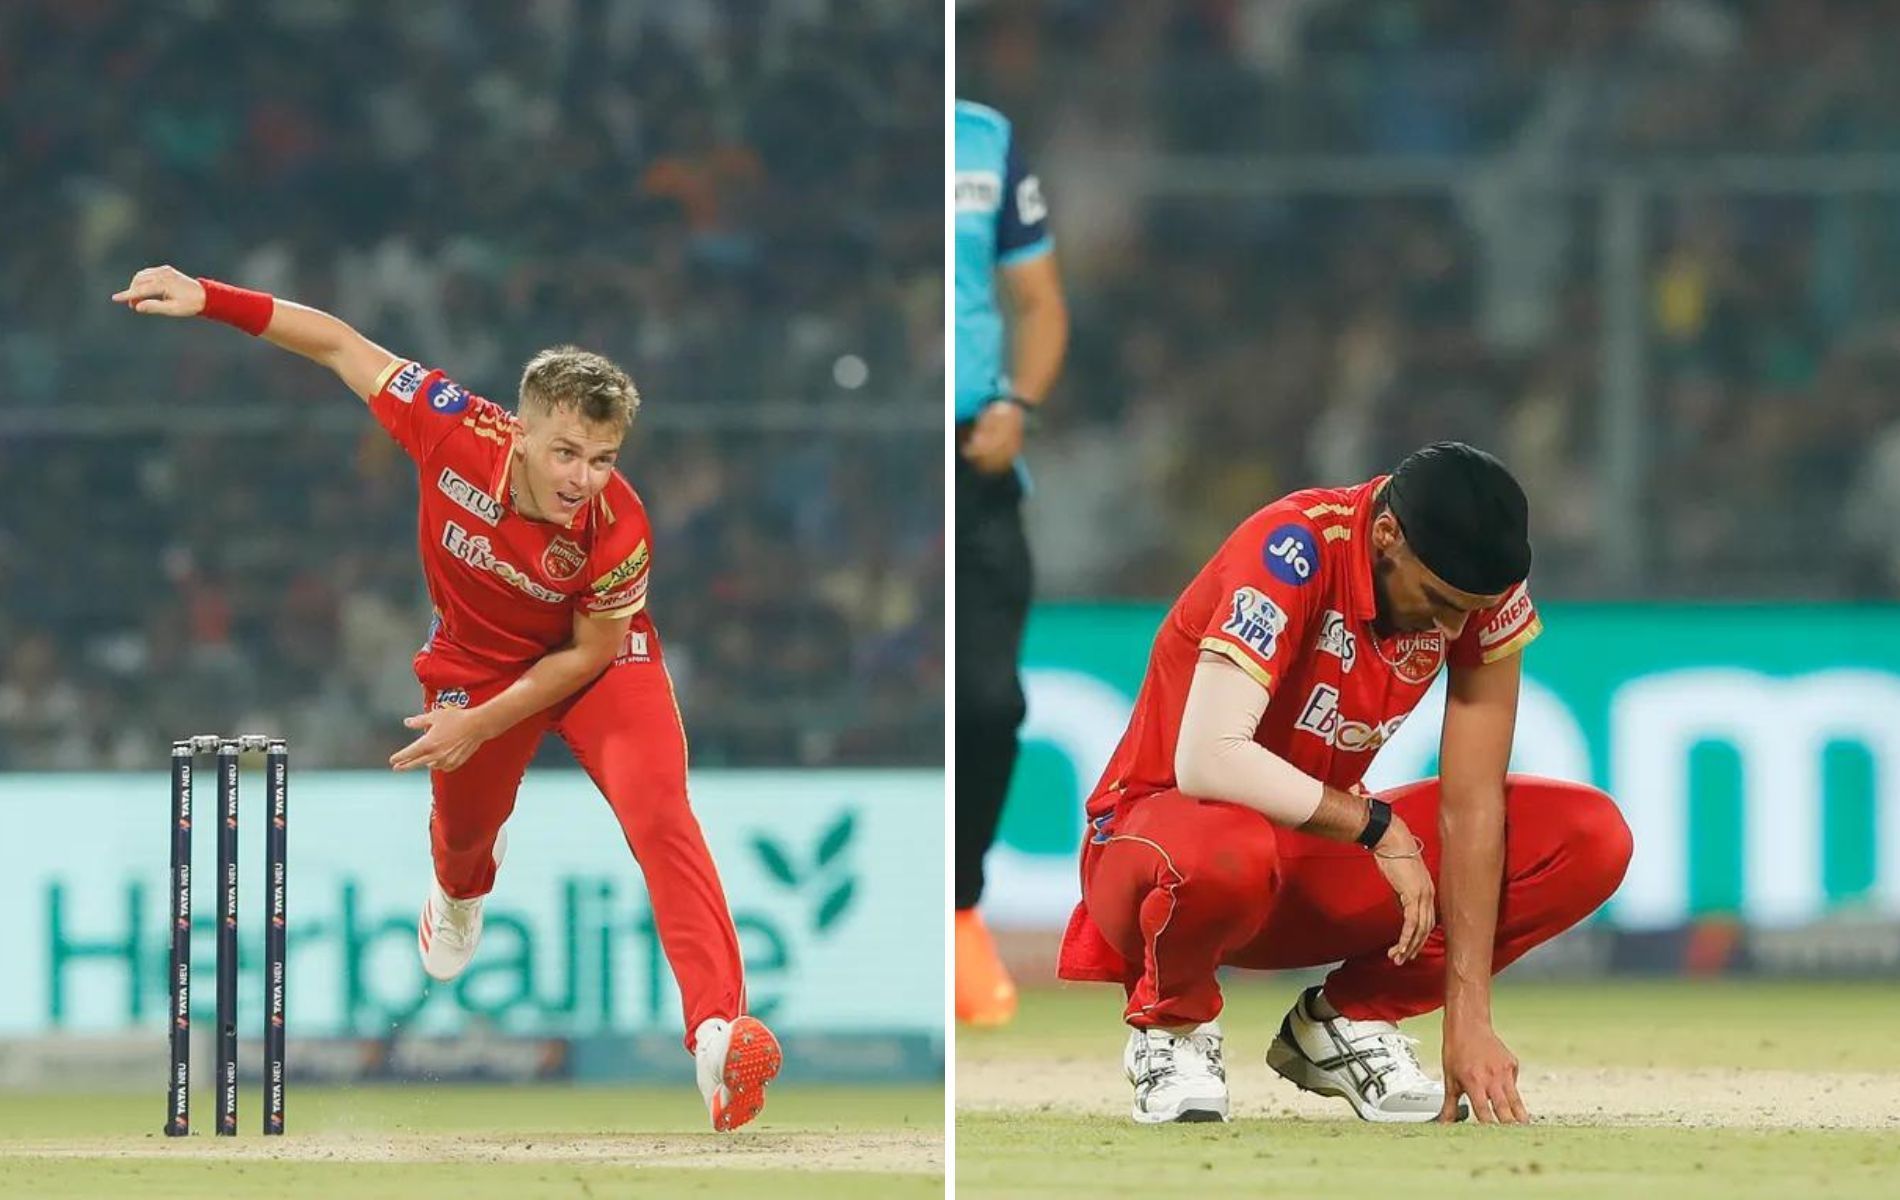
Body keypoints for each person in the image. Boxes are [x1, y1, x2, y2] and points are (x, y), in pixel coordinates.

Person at [111, 265, 781, 1132]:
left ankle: (717, 1037)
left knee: (662, 816)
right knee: (463, 839)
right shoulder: (452, 426)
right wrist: (211, 297)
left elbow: (589, 653)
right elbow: (338, 343)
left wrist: (485, 722)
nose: (584, 479)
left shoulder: (621, 529)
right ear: (522, 431)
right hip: (474, 663)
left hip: (599, 667)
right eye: (566, 453)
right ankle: (460, 895)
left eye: (604, 459)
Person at [1055, 443, 1633, 1125]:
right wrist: (1376, 827)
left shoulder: (1480, 592)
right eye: (1441, 601)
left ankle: (1346, 1024)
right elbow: (1209, 758)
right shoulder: (1291, 548)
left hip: (1299, 862)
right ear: (1386, 535)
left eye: (1468, 610)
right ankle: (1171, 1032)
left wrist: (1467, 1016)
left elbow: (1474, 805)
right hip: (1156, 849)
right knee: (1230, 844)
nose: (1452, 628)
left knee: (1588, 839)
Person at [954, 99, 1070, 1026]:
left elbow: (1037, 301)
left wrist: (1018, 404)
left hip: (970, 459)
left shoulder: (984, 136)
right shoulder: (842, 125)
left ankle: (958, 913)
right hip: (857, 449)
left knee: (991, 702)